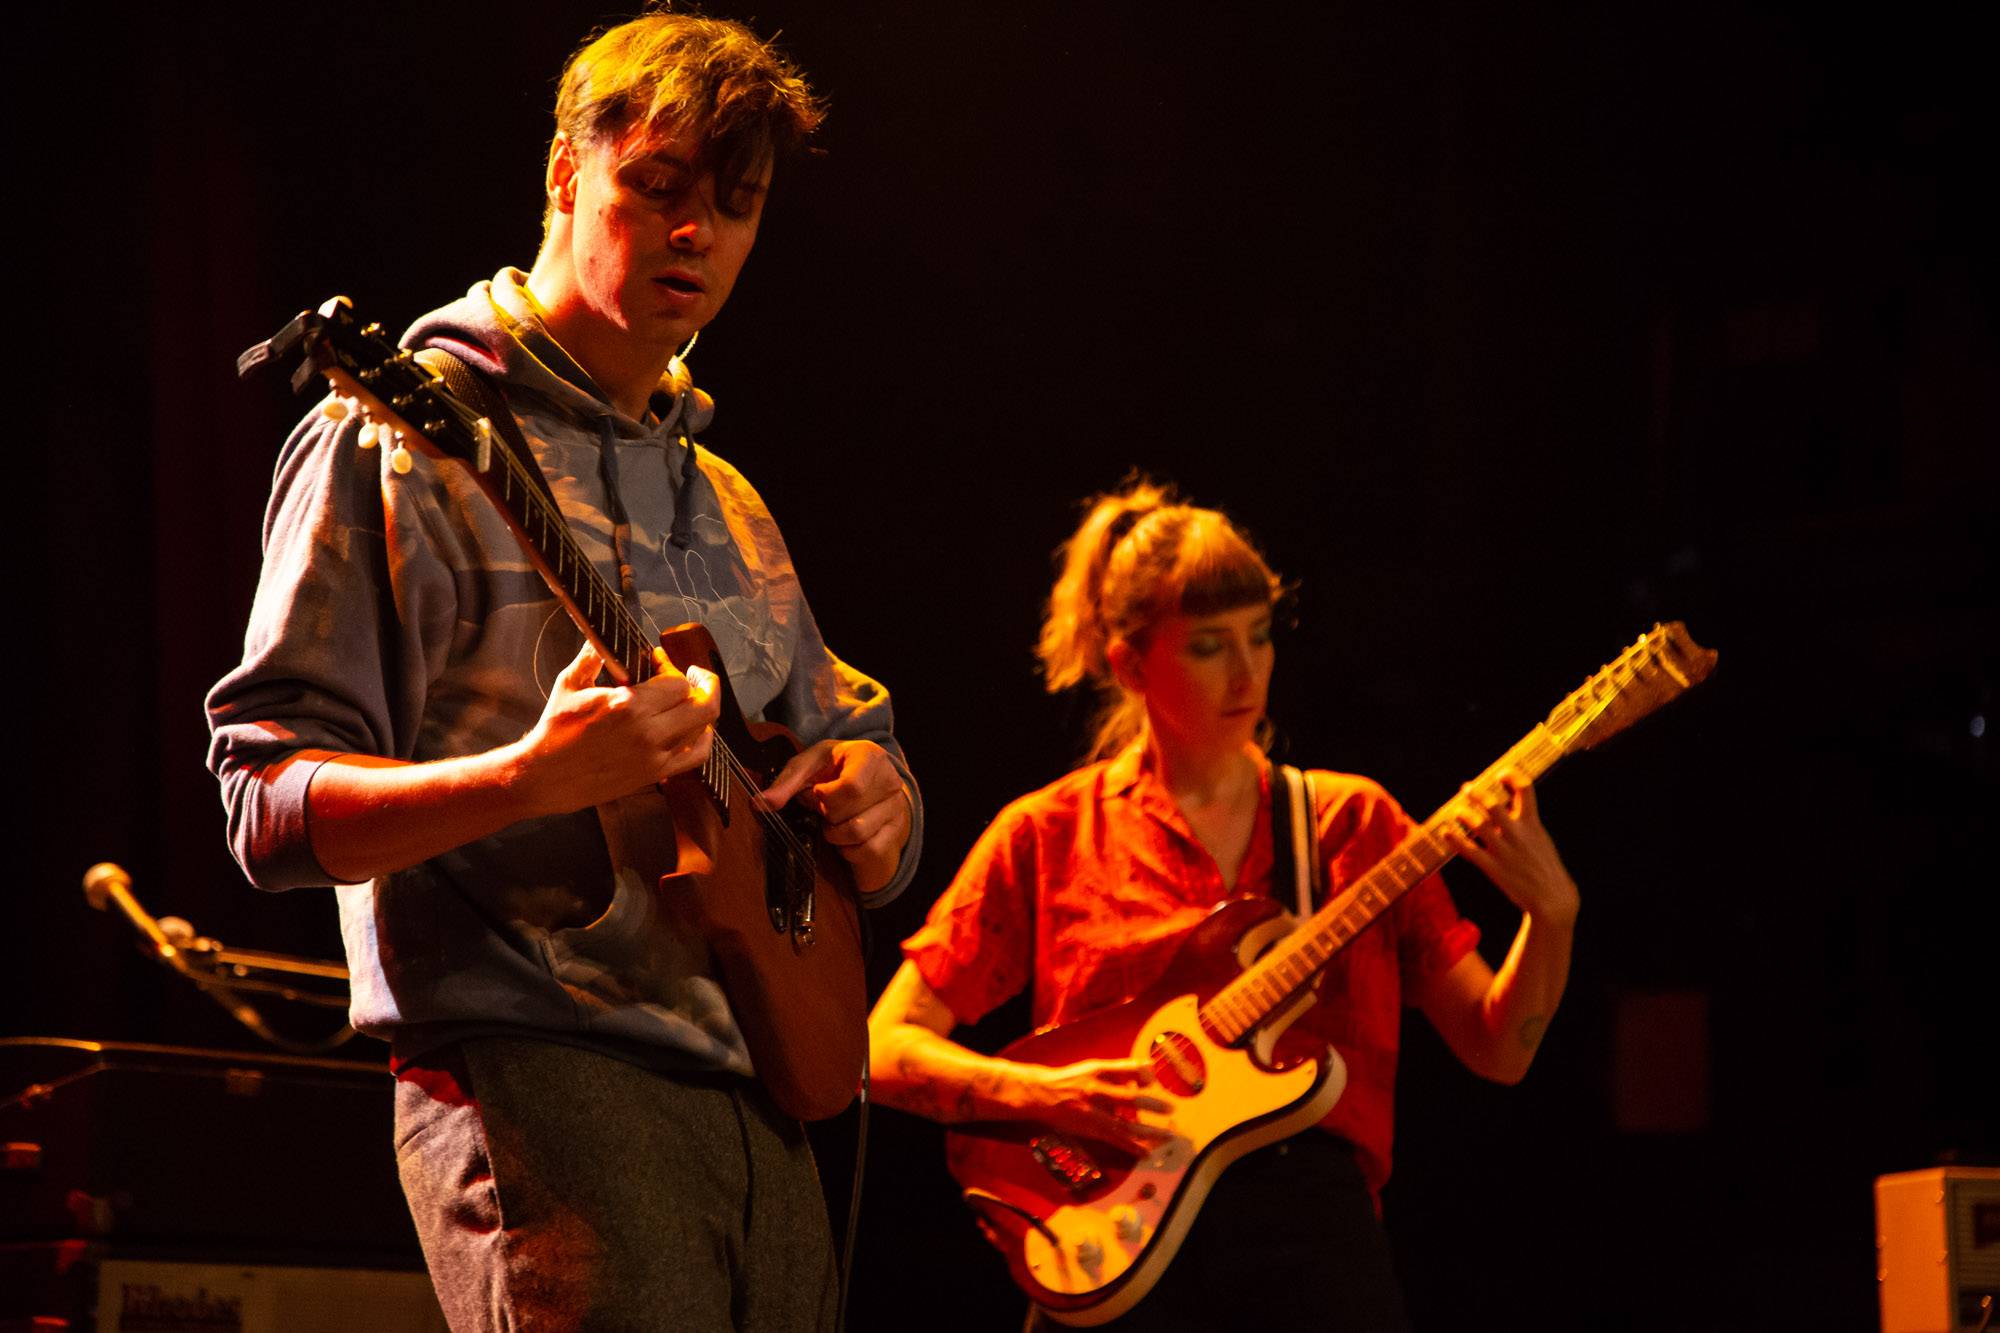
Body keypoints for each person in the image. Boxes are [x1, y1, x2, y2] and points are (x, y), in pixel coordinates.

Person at [207, 11, 920, 1330]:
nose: (697, 233)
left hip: (767, 1099)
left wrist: (884, 803)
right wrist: (531, 778)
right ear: (562, 173)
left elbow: (852, 743)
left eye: (737, 205)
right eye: (657, 189)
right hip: (545, 1083)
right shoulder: (393, 442)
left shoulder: (734, 504)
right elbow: (264, 805)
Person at [867, 480, 1578, 1330]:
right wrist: (1043, 1095)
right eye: (1209, 646)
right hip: (1111, 1253)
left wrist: (1554, 916)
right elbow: (882, 1049)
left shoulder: (1351, 822)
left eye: (1260, 637)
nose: (1249, 673)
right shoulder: (1049, 833)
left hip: (1312, 1260)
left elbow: (1501, 1050)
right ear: (1131, 664)